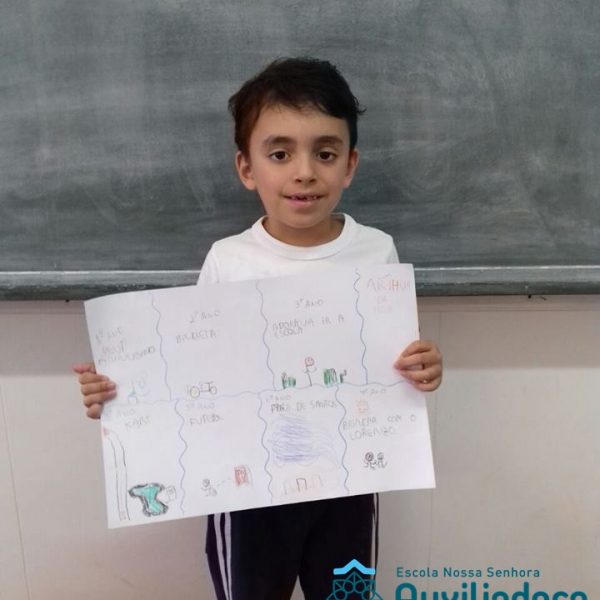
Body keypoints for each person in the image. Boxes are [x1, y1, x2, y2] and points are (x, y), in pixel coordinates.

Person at [74, 57, 443, 600]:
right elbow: (188, 369)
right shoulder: (228, 260)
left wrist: (423, 367)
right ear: (247, 168)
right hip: (248, 490)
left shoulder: (376, 251)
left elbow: (396, 360)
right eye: (279, 154)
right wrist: (118, 393)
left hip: (348, 480)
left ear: (350, 165)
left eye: (325, 153)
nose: (304, 172)